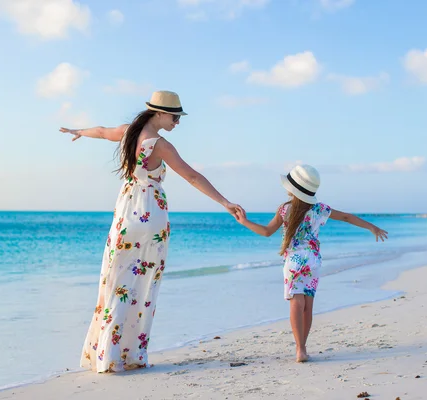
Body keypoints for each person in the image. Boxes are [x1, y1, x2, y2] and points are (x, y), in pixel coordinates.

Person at [60, 90, 244, 373]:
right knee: (142, 284)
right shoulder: (160, 144)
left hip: (125, 212)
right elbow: (192, 176)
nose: (177, 122)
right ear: (158, 113)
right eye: (174, 116)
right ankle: (128, 354)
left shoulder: (127, 133)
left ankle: (106, 354)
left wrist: (78, 131)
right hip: (150, 215)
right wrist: (225, 202)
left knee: (116, 280)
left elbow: (100, 131)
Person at [235, 164, 388, 363]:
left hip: (293, 262)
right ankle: (304, 348)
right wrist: (372, 227)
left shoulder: (285, 209)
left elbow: (266, 232)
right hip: (313, 260)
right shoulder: (320, 209)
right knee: (308, 306)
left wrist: (244, 221)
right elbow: (347, 217)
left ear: (293, 188)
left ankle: (299, 349)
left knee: (296, 303)